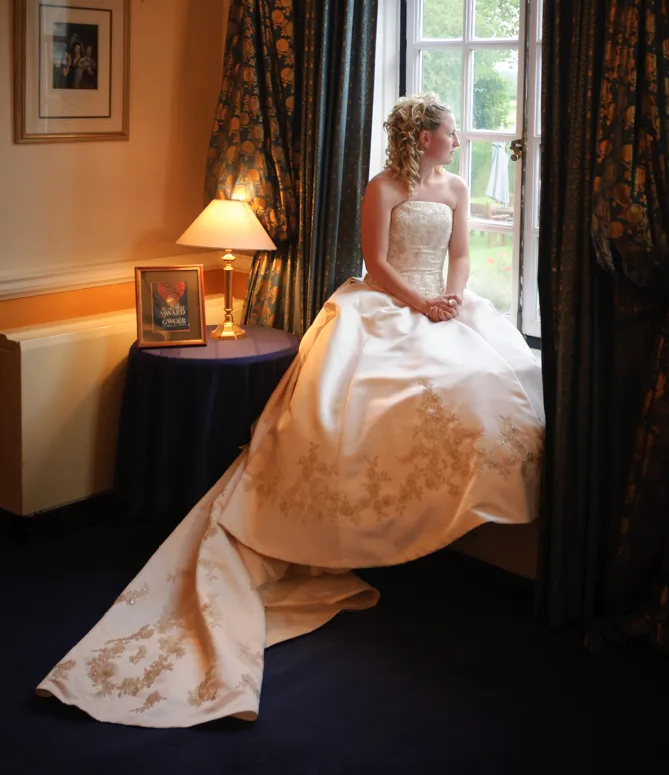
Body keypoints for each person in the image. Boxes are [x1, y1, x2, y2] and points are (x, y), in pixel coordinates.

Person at [37, 93, 544, 728]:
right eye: (447, 133)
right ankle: (348, 525)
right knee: (366, 397)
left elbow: (463, 254)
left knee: (504, 376)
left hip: (441, 300)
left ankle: (440, 515)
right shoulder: (383, 186)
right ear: (421, 139)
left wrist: (452, 297)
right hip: (387, 302)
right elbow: (379, 265)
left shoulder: (457, 187)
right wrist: (419, 304)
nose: (456, 141)